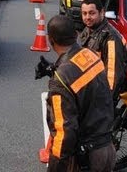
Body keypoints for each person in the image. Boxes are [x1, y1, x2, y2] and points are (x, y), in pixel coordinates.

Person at [43, 15, 116, 172]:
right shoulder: (90, 56)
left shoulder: (61, 80)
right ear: (76, 34)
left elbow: (64, 133)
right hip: (107, 148)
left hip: (87, 158)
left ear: (51, 40)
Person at [78, 0, 127, 100]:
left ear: (102, 13)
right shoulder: (88, 30)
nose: (87, 17)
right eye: (84, 13)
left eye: (92, 13)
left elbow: (113, 76)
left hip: (100, 97)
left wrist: (104, 102)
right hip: (88, 91)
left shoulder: (111, 38)